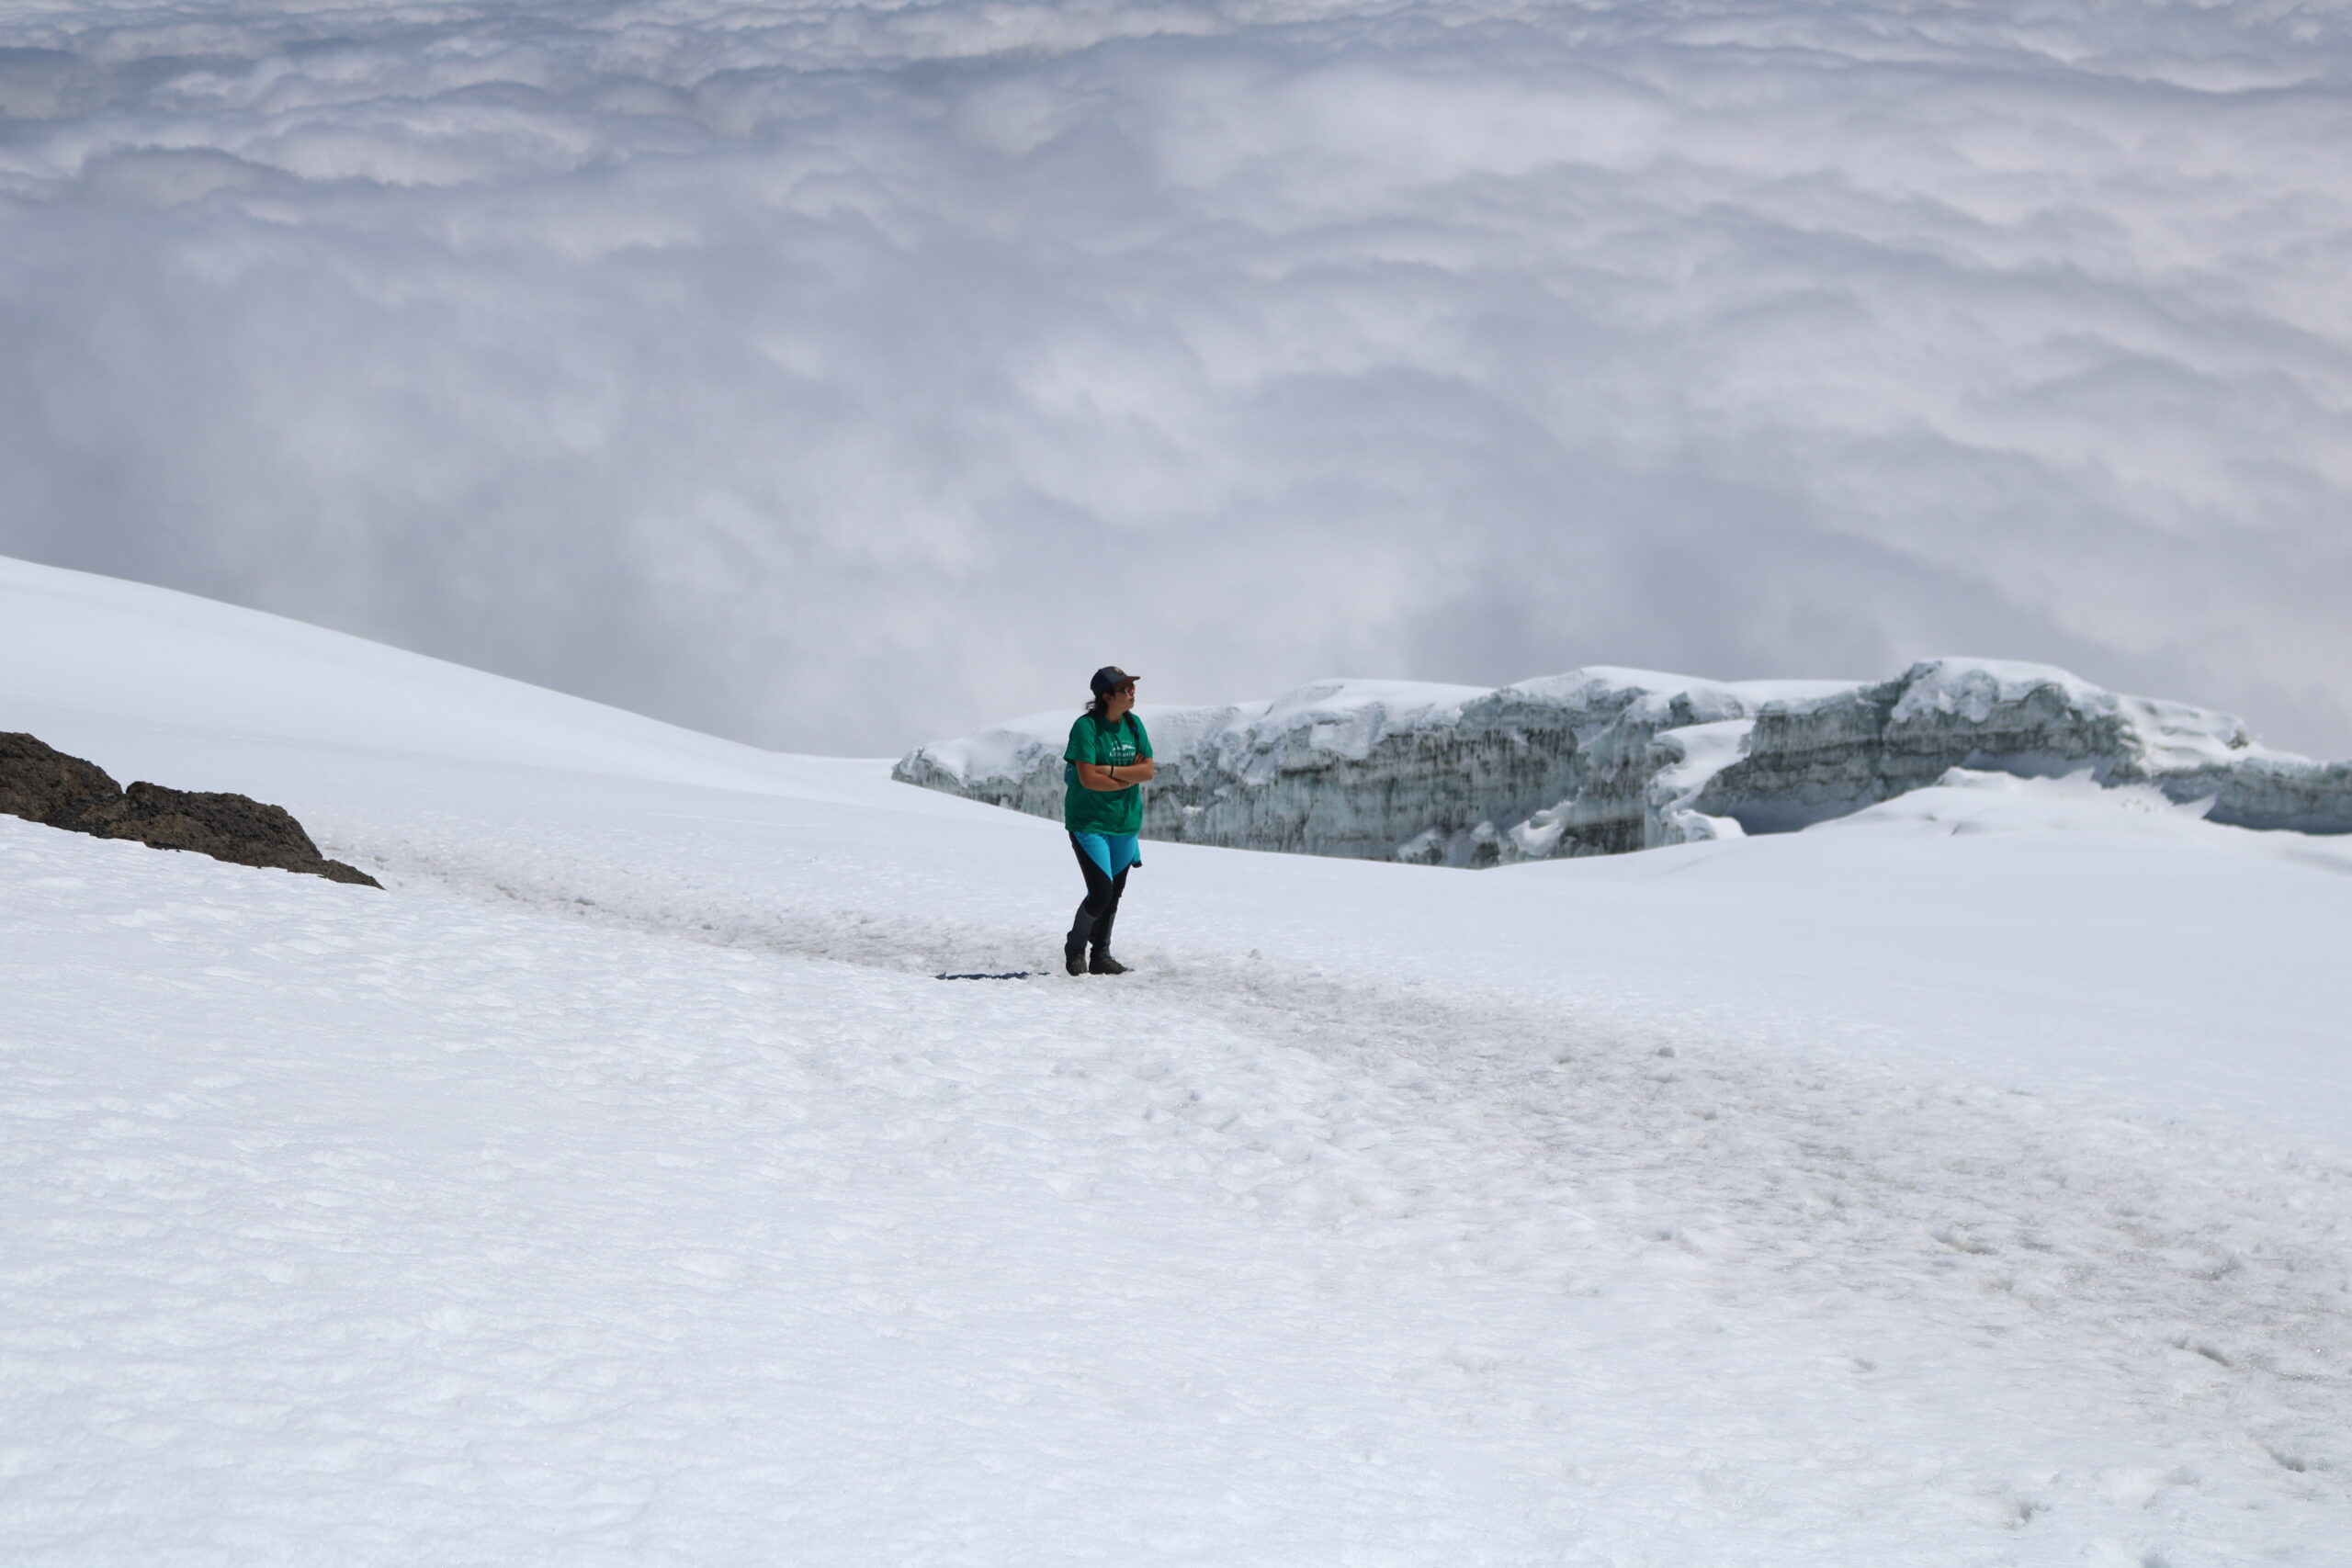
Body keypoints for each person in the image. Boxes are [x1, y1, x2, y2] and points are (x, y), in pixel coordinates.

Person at [1062, 665, 1154, 976]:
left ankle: (1100, 954)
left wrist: (1112, 773)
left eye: (1132, 687)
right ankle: (1075, 948)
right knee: (1100, 892)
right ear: (1106, 696)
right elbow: (1088, 779)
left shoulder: (1134, 724)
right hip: (1090, 822)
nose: (1132, 693)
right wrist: (1128, 776)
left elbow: (1148, 770)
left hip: (1125, 823)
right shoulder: (1086, 728)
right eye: (1125, 688)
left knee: (1113, 894)